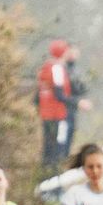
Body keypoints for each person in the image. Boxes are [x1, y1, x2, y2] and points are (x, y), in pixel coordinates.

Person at [36, 40, 77, 170]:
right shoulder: (57, 69)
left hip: (46, 116)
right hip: (58, 116)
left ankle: (45, 182)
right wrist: (77, 102)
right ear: (62, 53)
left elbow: (37, 97)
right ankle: (55, 184)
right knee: (59, 150)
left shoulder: (45, 68)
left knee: (48, 149)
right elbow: (59, 95)